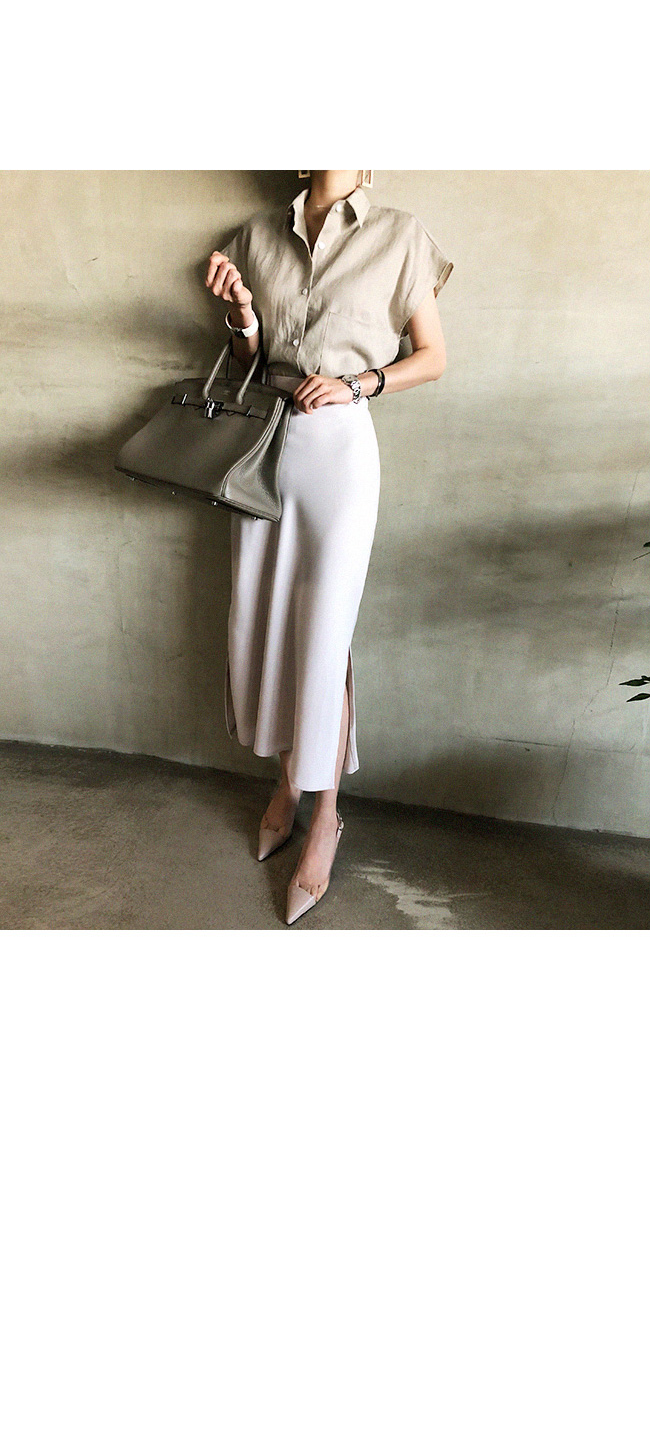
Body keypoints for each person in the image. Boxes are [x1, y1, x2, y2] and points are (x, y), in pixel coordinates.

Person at [205, 172, 451, 922]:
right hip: (265, 447)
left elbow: (433, 356)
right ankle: (287, 785)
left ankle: (326, 816)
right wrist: (243, 315)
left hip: (340, 453)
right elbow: (249, 363)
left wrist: (361, 383)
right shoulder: (255, 238)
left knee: (324, 634)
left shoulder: (400, 235)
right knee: (268, 626)